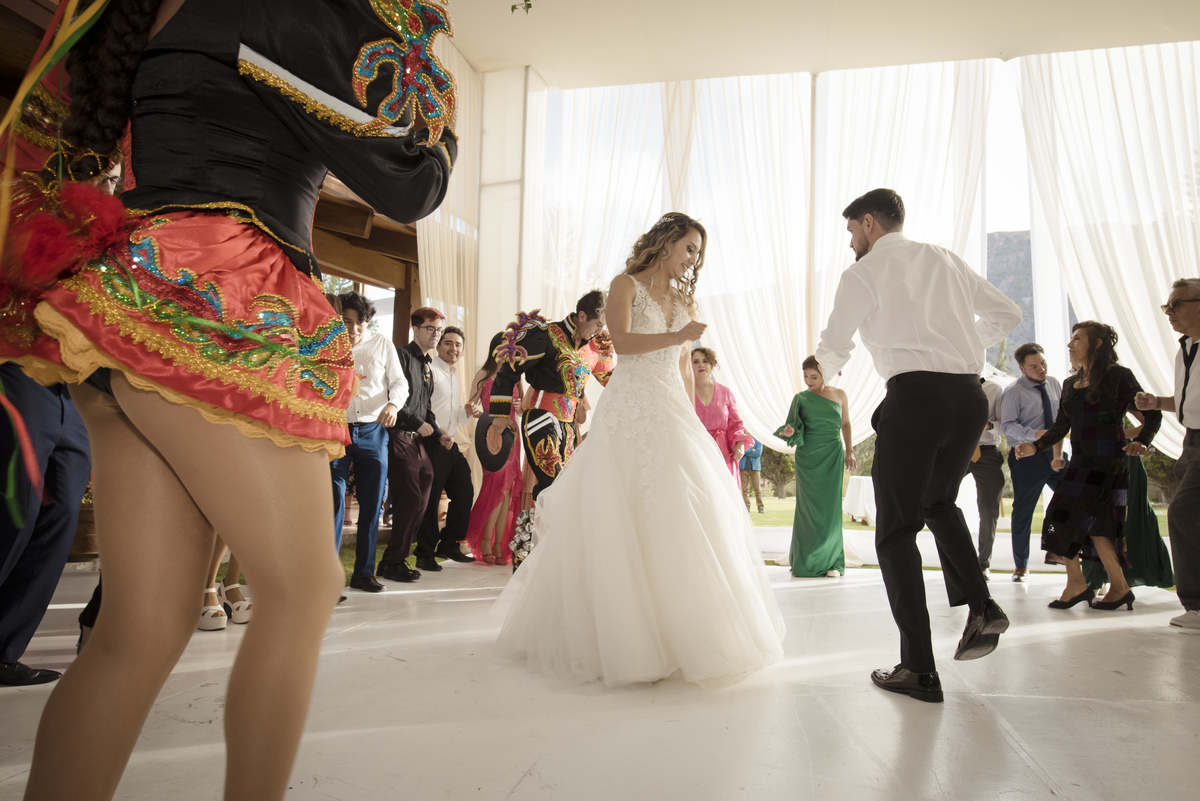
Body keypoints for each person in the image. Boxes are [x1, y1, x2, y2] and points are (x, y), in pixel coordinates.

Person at [0, 1, 455, 797]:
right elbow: (411, 177)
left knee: (138, 633)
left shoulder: (149, 11)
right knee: (304, 587)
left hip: (133, 295)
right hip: (221, 297)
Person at [492, 213, 785, 687]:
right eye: (689, 248)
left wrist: (689, 412)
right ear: (667, 242)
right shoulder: (624, 285)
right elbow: (624, 345)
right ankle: (622, 636)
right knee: (618, 507)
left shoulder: (685, 300)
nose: (693, 260)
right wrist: (678, 336)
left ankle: (686, 630)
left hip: (671, 409)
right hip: (629, 408)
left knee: (682, 505)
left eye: (698, 253)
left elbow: (684, 367)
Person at [815, 188, 1021, 703]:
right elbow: (1008, 314)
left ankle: (919, 668)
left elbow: (836, 342)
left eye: (851, 231)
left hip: (915, 400)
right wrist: (956, 341)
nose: (851, 242)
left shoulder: (864, 272)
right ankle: (982, 605)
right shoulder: (945, 259)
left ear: (868, 223)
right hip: (968, 398)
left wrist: (821, 369)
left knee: (895, 532)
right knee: (938, 503)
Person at [1015, 322, 1161, 610]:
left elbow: (1152, 415)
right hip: (1081, 462)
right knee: (1093, 525)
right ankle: (1114, 587)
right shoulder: (1071, 384)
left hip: (1109, 462)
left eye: (1077, 339)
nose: (1070, 345)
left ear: (1097, 343)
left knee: (1067, 517)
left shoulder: (1119, 377)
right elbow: (1061, 426)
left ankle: (1081, 585)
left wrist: (1142, 442)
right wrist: (1036, 447)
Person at [0, 364, 91, 686]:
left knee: (61, 516)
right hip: (18, 369)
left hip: (74, 388)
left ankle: (4, 651)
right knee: (16, 512)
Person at [486, 291, 612, 502]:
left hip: (569, 429)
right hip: (541, 419)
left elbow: (612, 381)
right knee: (555, 485)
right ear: (582, 316)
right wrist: (500, 414)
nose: (600, 331)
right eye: (598, 324)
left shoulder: (594, 347)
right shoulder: (547, 334)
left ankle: (534, 523)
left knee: (567, 489)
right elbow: (508, 371)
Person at [331, 292, 407, 593]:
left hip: (373, 431)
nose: (353, 329)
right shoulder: (328, 343)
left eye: (359, 323)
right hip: (336, 430)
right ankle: (328, 581)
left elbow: (399, 382)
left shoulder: (382, 344)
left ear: (367, 323)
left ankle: (363, 574)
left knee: (373, 503)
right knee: (333, 503)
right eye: (347, 322)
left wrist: (393, 404)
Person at [1136, 278, 1200, 629]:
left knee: (1182, 514)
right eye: (1167, 306)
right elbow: (1189, 401)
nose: (1169, 312)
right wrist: (1157, 402)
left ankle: (1197, 607)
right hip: (1190, 441)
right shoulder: (1185, 349)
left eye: (1176, 304)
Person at [377, 308, 454, 583]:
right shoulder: (400, 356)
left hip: (419, 441)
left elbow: (426, 408)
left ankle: (392, 559)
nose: (436, 334)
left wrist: (439, 435)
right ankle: (394, 562)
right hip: (398, 436)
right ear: (416, 330)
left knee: (423, 493)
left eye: (439, 330)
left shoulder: (427, 365)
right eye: (431, 329)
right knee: (409, 499)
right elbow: (395, 397)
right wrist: (417, 422)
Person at [775, 356, 855, 578]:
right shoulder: (800, 398)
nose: (808, 381)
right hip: (808, 457)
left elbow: (846, 424)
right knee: (808, 509)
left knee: (831, 508)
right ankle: (807, 560)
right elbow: (793, 426)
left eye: (813, 377)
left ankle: (832, 561)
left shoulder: (840, 395)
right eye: (805, 377)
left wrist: (850, 451)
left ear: (824, 374)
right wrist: (789, 431)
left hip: (832, 455)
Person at [1081, 410, 1175, 592]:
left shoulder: (1122, 391)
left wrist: (1120, 434)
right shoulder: (1075, 392)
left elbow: (1150, 420)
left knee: (1126, 518)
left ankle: (1121, 581)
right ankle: (1095, 578)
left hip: (1122, 459)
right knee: (1092, 520)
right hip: (1090, 458)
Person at [414, 326, 480, 571]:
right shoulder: (429, 370)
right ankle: (424, 553)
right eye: (449, 343)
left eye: (458, 345)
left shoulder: (452, 376)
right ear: (439, 346)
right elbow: (424, 409)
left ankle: (449, 544)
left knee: (464, 491)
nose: (454, 348)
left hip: (450, 442)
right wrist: (438, 432)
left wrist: (466, 412)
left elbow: (453, 414)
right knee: (430, 499)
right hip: (432, 441)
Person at [999, 343, 1065, 582]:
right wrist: (1036, 435)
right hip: (1026, 458)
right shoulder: (1013, 391)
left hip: (1056, 454)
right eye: (1034, 366)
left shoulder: (1055, 384)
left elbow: (1062, 418)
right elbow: (1008, 426)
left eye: (1043, 363)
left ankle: (1055, 549)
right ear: (1022, 368)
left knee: (1071, 499)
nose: (1041, 369)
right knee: (1023, 512)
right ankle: (1021, 566)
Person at [465, 332, 523, 566]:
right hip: (490, 436)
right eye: (502, 346)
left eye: (511, 346)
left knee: (507, 490)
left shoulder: (516, 375)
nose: (507, 351)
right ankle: (485, 542)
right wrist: (476, 411)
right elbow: (471, 406)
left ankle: (500, 545)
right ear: (494, 349)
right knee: (496, 487)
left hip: (512, 437)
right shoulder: (484, 374)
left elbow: (521, 410)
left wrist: (520, 406)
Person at [691, 347, 754, 487]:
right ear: (690, 366)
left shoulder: (725, 392)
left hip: (723, 453)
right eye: (696, 362)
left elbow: (736, 424)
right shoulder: (685, 392)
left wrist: (740, 444)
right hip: (697, 451)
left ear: (712, 365)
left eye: (705, 361)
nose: (701, 365)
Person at [968, 376, 1005, 580]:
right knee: (935, 499)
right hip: (957, 451)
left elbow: (1004, 425)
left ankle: (983, 564)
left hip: (987, 453)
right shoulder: (950, 386)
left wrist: (989, 425)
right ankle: (958, 560)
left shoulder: (994, 388)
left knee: (989, 510)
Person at [740, 437, 765, 513]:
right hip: (743, 468)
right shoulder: (743, 440)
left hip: (755, 469)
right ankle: (746, 507)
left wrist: (746, 451)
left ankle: (760, 507)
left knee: (757, 489)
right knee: (745, 489)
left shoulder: (759, 440)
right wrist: (752, 450)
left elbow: (758, 453)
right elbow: (740, 451)